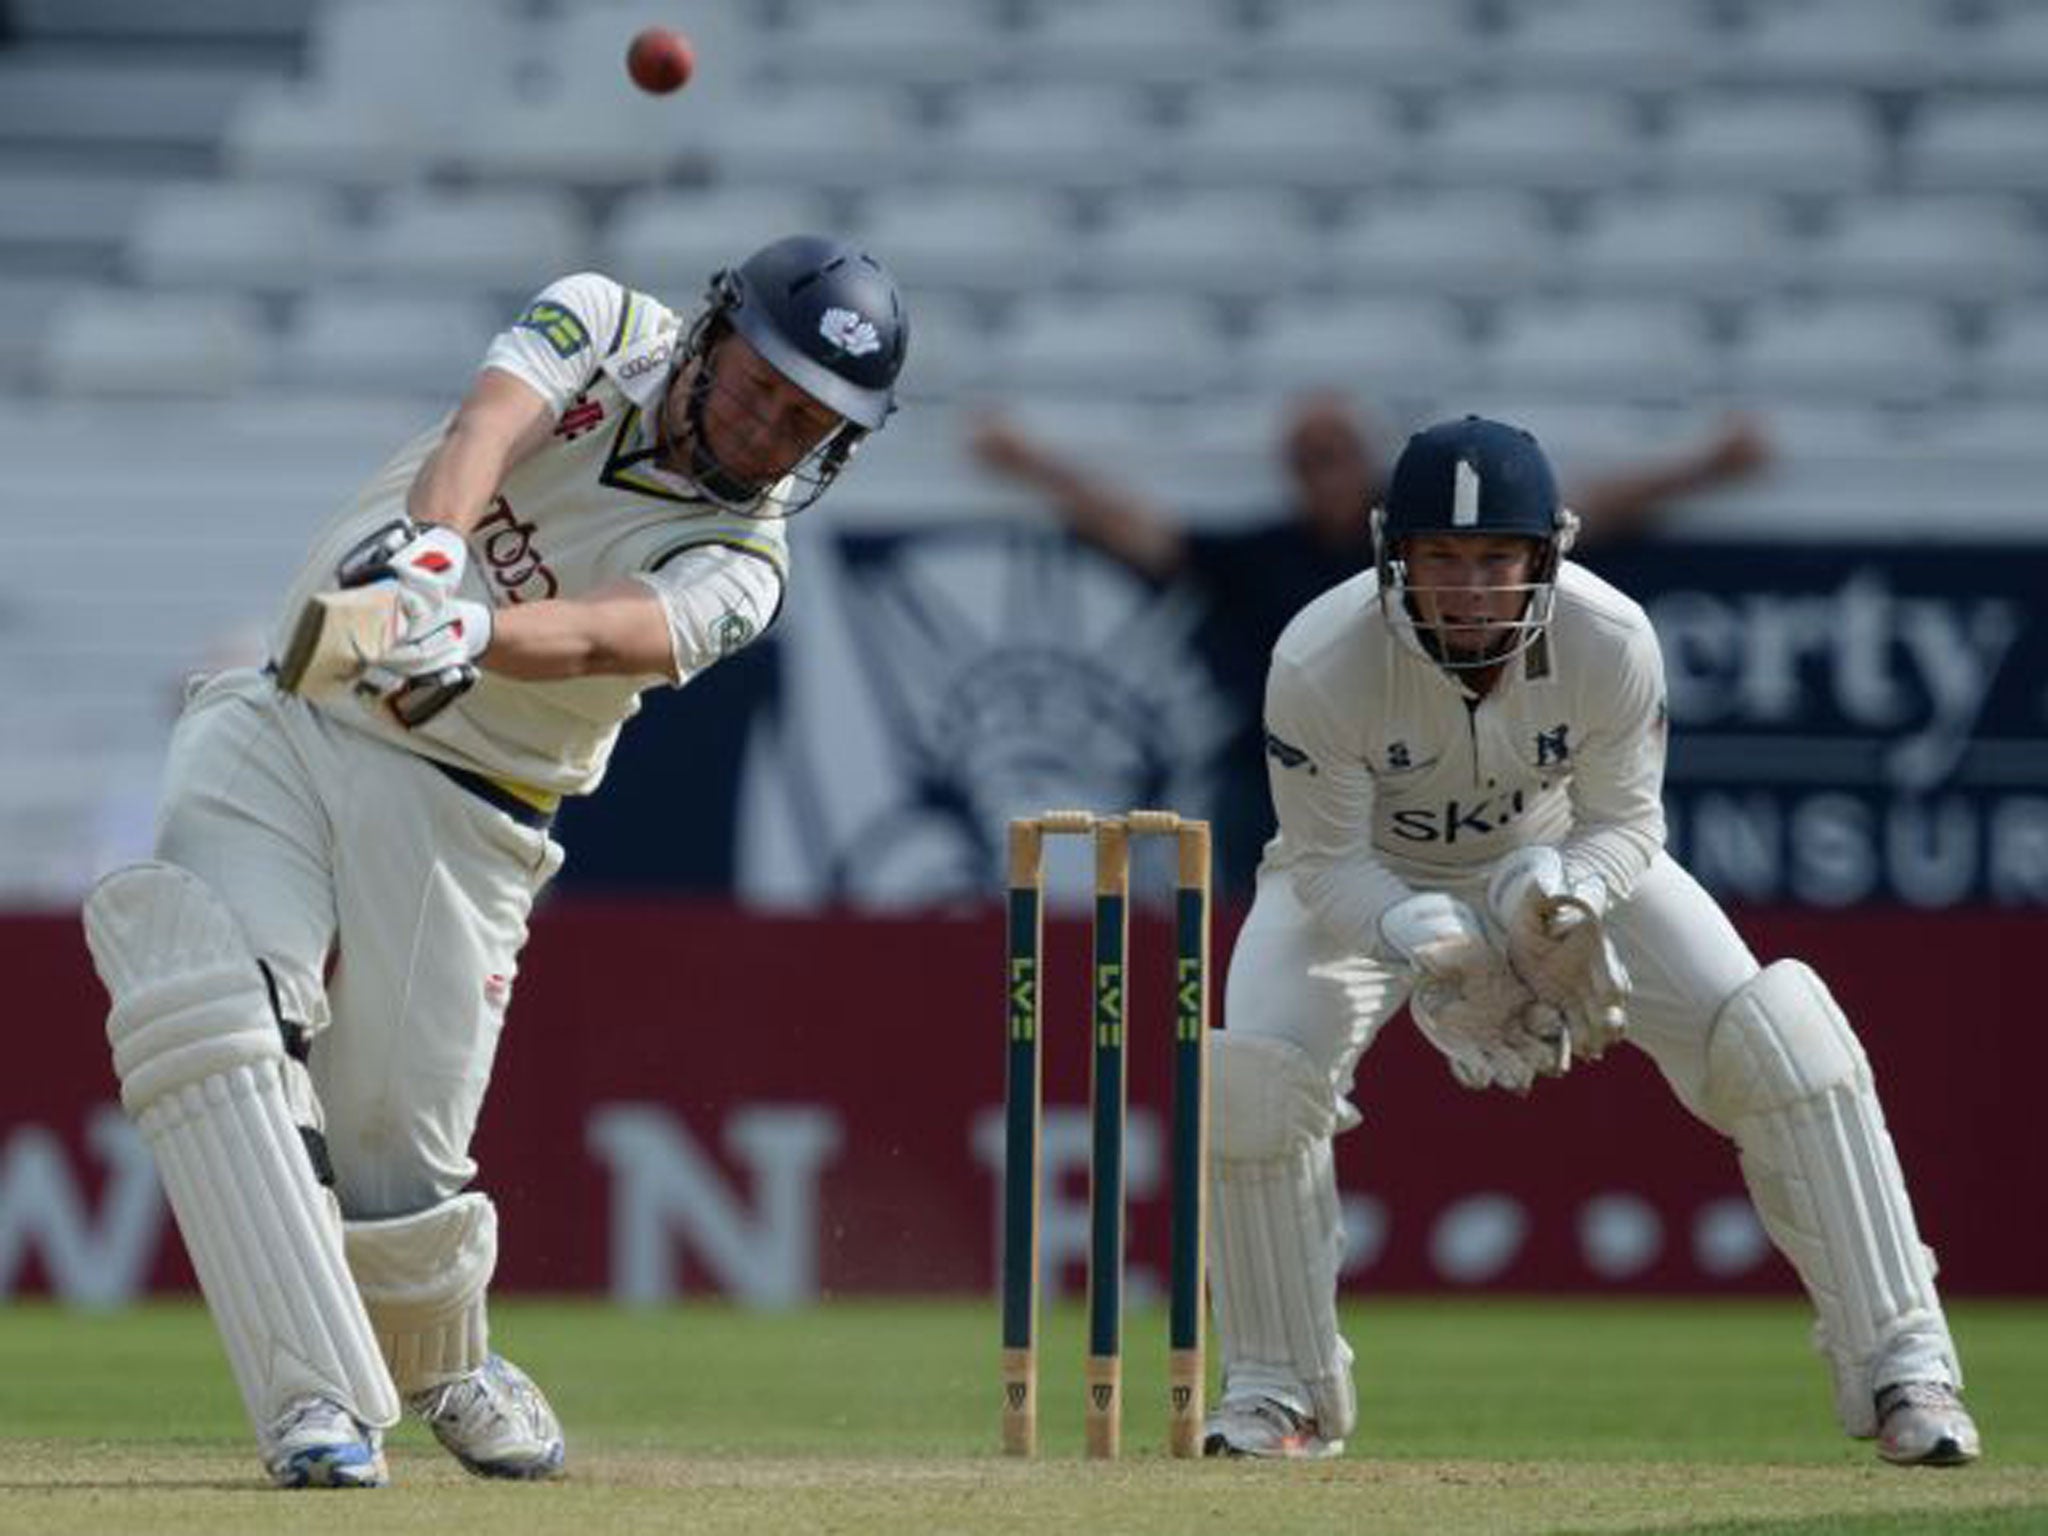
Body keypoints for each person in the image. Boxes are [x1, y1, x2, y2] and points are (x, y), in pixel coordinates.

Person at [77, 235, 909, 1489]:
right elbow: (484, 430)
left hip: (470, 813)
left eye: (804, 419)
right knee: (214, 1021)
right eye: (759, 380)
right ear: (711, 330)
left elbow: (603, 637)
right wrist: (427, 559)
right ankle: (315, 1406)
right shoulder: (603, 320)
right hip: (296, 712)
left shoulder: (749, 567)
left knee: (391, 1164)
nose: (764, 426)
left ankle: (445, 1362)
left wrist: (473, 625)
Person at [1198, 415, 1979, 1467]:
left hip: (1560, 854)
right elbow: (1326, 860)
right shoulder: (1318, 657)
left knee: (1780, 1039)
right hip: (1366, 883)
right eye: (1440, 559)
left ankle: (1905, 1368)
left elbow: (1629, 824)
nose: (1469, 590)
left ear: (1543, 553)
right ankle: (1272, 1391)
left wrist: (1560, 903)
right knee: (1251, 1078)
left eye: (1493, 559)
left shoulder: (1609, 637)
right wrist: (1426, 938)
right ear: (1393, 555)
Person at [969, 396, 1772, 894]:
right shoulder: (1260, 556)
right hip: (1282, 779)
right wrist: (1029, 463)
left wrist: (1703, 468)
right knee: (1273, 907)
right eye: (1305, 459)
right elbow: (1141, 534)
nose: (1321, 473)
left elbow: (1576, 512)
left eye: (1335, 454)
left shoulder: (1433, 537)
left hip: (1428, 771)